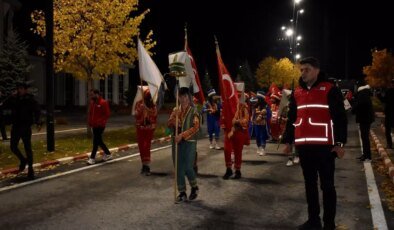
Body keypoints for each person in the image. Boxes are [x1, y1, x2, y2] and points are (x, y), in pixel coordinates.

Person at [282, 57, 347, 230]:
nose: (303, 73)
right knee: (309, 186)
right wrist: (288, 140)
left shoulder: (330, 90)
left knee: (327, 186)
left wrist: (340, 143)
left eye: (307, 69)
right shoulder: (296, 93)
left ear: (317, 70)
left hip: (325, 148)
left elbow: (340, 118)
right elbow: (292, 118)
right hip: (304, 147)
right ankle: (313, 220)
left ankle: (329, 224)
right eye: (301, 70)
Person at [167, 87, 200, 202]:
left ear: (189, 97)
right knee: (178, 167)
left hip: (189, 143)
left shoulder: (194, 111)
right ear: (178, 98)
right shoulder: (176, 109)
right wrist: (173, 120)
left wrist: (183, 135)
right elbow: (169, 124)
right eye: (181, 97)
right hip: (176, 142)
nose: (183, 99)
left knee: (187, 167)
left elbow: (196, 127)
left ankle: (194, 187)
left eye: (185, 96)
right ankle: (182, 192)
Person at [4, 82, 42, 180]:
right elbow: (4, 105)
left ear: (25, 90)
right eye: (18, 89)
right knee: (13, 147)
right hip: (16, 126)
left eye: (21, 88)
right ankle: (23, 160)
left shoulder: (30, 99)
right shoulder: (14, 98)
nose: (19, 90)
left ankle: (30, 170)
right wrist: (9, 97)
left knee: (27, 148)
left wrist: (38, 122)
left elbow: (37, 110)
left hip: (25, 127)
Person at [222, 87, 250, 179]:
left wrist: (237, 122)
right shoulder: (226, 104)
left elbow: (246, 119)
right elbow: (223, 116)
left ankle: (238, 170)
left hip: (239, 132)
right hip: (228, 131)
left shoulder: (243, 107)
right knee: (227, 150)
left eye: (238, 96)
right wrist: (223, 124)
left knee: (238, 152)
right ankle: (228, 169)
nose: (236, 98)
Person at [134, 88, 157, 175]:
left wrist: (147, 109)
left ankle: (147, 165)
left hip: (149, 129)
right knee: (141, 147)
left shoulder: (153, 105)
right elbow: (136, 114)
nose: (149, 98)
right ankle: (144, 165)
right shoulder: (139, 104)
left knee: (146, 146)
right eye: (147, 96)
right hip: (140, 128)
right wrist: (140, 109)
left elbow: (154, 114)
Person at [86, 89, 112, 165]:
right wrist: (90, 122)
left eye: (92, 94)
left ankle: (92, 158)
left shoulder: (103, 102)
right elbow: (91, 113)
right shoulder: (92, 103)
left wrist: (100, 122)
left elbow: (107, 114)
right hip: (94, 125)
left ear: (97, 94)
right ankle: (108, 154)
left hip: (100, 126)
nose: (91, 96)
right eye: (90, 95)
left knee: (95, 141)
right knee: (99, 141)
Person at [352, 80, 374, 161]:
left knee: (364, 137)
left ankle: (367, 156)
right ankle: (366, 154)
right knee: (364, 137)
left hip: (365, 119)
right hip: (366, 118)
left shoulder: (362, 94)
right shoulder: (364, 93)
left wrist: (353, 110)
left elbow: (360, 105)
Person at [252, 91, 271, 156]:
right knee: (257, 136)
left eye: (258, 98)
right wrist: (252, 119)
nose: (256, 99)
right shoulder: (255, 106)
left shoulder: (266, 106)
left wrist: (263, 116)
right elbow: (253, 114)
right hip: (256, 123)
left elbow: (269, 114)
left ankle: (263, 149)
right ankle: (259, 147)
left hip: (263, 123)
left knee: (262, 136)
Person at [377, 79, 394, 149]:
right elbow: (384, 100)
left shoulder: (389, 91)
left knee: (388, 130)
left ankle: (389, 145)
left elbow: (384, 100)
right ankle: (389, 144)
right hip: (389, 113)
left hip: (389, 113)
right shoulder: (389, 91)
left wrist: (379, 95)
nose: (392, 84)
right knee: (387, 130)